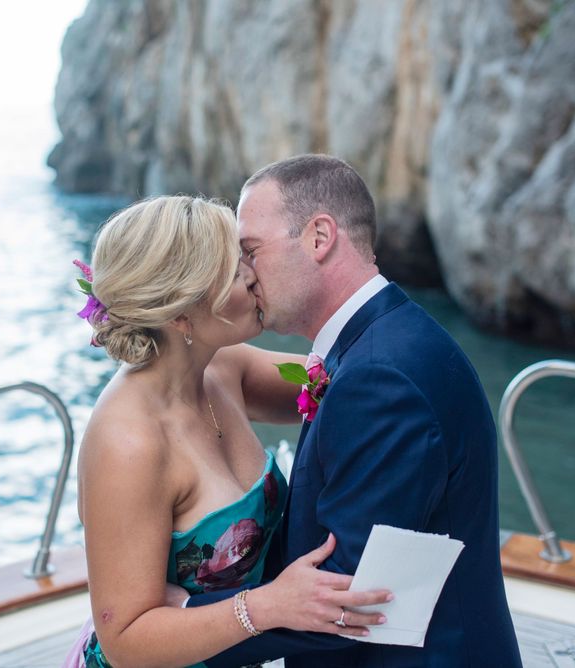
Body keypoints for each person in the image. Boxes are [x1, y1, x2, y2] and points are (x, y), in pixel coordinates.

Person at [185, 155, 523, 667]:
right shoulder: (385, 340)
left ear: (319, 237)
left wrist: (181, 624)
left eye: (251, 251)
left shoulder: (379, 378)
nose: (245, 275)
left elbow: (346, 600)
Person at [62, 195, 391, 668]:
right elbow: (125, 639)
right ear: (181, 314)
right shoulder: (128, 444)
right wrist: (268, 605)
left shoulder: (222, 368)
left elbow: (348, 383)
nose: (255, 275)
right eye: (236, 270)